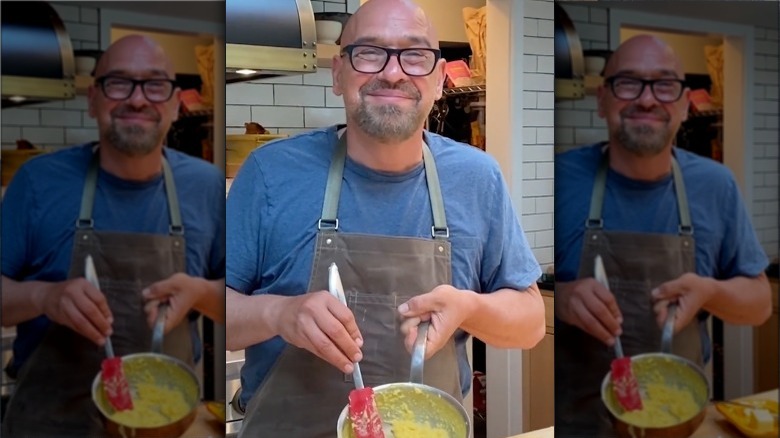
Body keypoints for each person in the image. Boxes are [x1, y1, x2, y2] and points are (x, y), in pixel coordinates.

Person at [225, 0, 546, 436]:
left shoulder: (476, 178)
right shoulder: (269, 174)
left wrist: (469, 306)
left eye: (414, 55)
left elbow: (530, 323)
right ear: (338, 73)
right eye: (370, 52)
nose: (393, 72)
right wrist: (278, 314)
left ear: (437, 79)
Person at [0, 35, 225, 437]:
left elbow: (241, 299)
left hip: (164, 423)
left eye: (155, 84)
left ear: (177, 102)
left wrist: (201, 293)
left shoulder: (205, 186)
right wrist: (43, 297)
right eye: (118, 82)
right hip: (49, 423)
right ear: (93, 99)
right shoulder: (38, 182)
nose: (138, 100)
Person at [554, 34, 772, 436]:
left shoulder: (715, 185)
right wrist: (562, 300)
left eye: (664, 84)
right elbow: (518, 302)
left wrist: (711, 291)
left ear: (686, 104)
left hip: (679, 423)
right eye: (628, 82)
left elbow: (759, 304)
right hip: (576, 423)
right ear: (602, 99)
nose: (648, 99)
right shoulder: (560, 179)